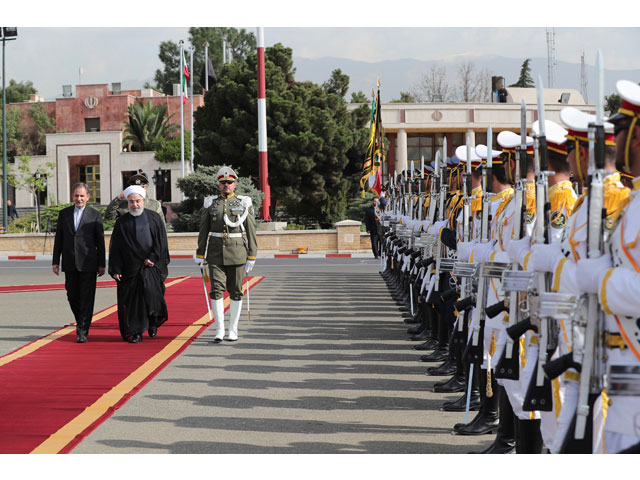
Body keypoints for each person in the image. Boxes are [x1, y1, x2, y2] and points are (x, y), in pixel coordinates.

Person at [195, 166, 258, 342]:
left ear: (235, 183)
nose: (226, 185)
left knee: (236, 291)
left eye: (229, 182)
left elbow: (251, 231)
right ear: (219, 184)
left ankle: (233, 329)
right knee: (216, 290)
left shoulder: (243, 202)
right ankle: (220, 329)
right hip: (215, 252)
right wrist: (200, 253)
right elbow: (203, 230)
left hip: (237, 252)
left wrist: (252, 255)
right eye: (223, 182)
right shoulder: (210, 203)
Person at [108, 185, 170, 343]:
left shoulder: (154, 218)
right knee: (133, 302)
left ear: (143, 200)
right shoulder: (122, 222)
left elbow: (161, 241)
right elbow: (115, 247)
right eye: (131, 202)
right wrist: (115, 268)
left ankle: (152, 323)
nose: (134, 204)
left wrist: (153, 258)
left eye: (137, 201)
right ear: (127, 203)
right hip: (130, 268)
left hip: (151, 266)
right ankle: (136, 332)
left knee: (152, 297)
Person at [52, 183, 106, 343]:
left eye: (82, 195)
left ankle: (82, 330)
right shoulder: (64, 214)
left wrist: (102, 263)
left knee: (87, 298)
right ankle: (81, 320)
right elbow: (59, 239)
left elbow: (100, 242)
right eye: (76, 195)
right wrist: (56, 261)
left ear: (88, 197)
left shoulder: (95, 215)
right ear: (72, 196)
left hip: (89, 263)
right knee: (72, 295)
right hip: (69, 262)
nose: (79, 198)